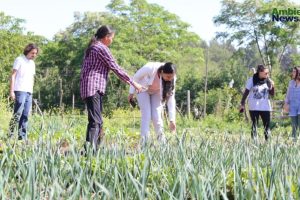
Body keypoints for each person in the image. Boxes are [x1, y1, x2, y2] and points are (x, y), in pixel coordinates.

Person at [80, 25, 142, 150]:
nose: (112, 41)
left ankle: (94, 150)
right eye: (112, 38)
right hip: (94, 87)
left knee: (97, 120)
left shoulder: (92, 47)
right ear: (106, 37)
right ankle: (90, 152)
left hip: (89, 86)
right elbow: (115, 67)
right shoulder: (101, 48)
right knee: (95, 121)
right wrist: (133, 83)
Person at [128, 62, 176, 144]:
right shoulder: (150, 68)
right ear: (162, 72)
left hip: (156, 92)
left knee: (156, 116)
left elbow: (171, 99)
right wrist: (131, 93)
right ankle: (144, 143)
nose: (170, 79)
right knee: (146, 114)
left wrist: (172, 120)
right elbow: (135, 77)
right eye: (168, 77)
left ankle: (162, 143)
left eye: (171, 77)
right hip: (142, 89)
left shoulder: (172, 78)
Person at [8, 43, 39, 140]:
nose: (34, 55)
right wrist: (11, 91)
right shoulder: (19, 60)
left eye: (35, 54)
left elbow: (32, 78)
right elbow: (13, 75)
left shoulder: (32, 64)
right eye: (32, 53)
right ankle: (10, 135)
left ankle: (22, 138)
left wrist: (31, 91)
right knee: (17, 113)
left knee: (25, 115)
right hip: (20, 90)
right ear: (27, 51)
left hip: (29, 92)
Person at [240, 64, 275, 141]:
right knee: (254, 125)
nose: (267, 75)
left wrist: (273, 86)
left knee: (267, 126)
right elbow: (246, 92)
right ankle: (254, 143)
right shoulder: (252, 80)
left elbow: (272, 94)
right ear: (260, 72)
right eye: (266, 73)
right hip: (254, 107)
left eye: (268, 73)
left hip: (265, 107)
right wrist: (242, 103)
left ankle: (268, 143)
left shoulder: (268, 81)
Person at [284, 67, 300, 140]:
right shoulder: (291, 82)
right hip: (292, 106)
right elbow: (288, 94)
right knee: (294, 126)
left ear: (298, 73)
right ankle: (294, 142)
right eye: (292, 71)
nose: (292, 73)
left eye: (294, 71)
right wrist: (286, 104)